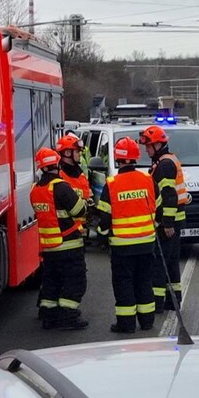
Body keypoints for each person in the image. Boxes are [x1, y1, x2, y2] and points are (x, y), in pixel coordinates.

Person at [96, 137, 158, 333]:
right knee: (144, 281)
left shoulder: (112, 184)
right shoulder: (148, 180)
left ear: (118, 159)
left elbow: (104, 217)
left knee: (124, 283)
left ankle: (126, 324)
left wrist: (101, 236)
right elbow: (160, 205)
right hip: (147, 243)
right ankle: (147, 322)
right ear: (135, 158)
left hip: (122, 246)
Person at [30, 147, 89, 331]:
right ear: (56, 163)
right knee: (74, 281)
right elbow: (79, 210)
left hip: (49, 247)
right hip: (68, 244)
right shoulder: (61, 187)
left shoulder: (36, 189)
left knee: (51, 282)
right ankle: (68, 317)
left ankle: (49, 316)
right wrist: (86, 204)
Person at [139, 125, 189, 313]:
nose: (146, 149)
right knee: (171, 261)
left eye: (149, 145)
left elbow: (169, 196)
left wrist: (167, 224)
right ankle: (173, 299)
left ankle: (158, 303)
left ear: (158, 145)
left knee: (160, 263)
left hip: (168, 221)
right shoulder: (167, 161)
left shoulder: (165, 165)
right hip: (175, 219)